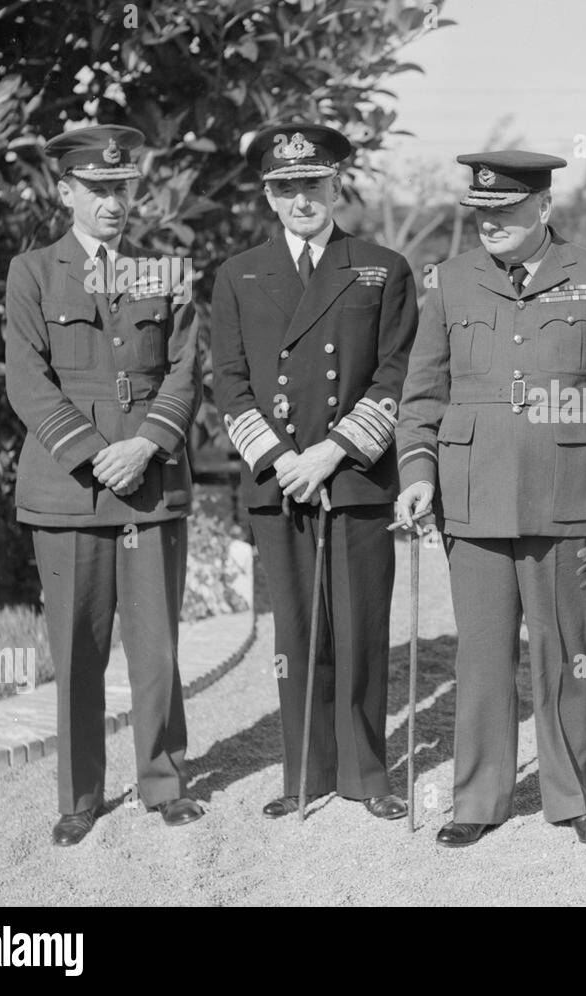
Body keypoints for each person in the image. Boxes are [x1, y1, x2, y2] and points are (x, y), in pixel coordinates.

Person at [393, 150, 586, 848]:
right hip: (473, 496)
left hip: (567, 495)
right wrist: (417, 474)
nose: (491, 225)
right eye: (480, 213)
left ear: (543, 207)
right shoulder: (449, 281)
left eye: (506, 211)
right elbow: (422, 395)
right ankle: (478, 797)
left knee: (564, 652)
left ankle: (572, 796)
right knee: (479, 657)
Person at [210, 123, 417, 820]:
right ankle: (305, 772)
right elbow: (230, 384)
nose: (302, 198)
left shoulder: (381, 266)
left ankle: (366, 773)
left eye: (313, 184)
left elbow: (398, 371)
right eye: (286, 187)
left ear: (336, 186)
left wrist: (335, 449)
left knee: (360, 627)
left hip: (353, 474)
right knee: (296, 632)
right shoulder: (237, 275)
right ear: (269, 196)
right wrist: (282, 458)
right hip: (281, 478)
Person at [5, 124, 204, 845]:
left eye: (123, 187)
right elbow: (27, 380)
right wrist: (97, 453)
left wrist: (147, 444)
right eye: (98, 189)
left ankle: (164, 780)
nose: (114, 201)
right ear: (65, 192)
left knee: (156, 646)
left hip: (150, 485)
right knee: (77, 649)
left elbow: (186, 370)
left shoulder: (164, 272)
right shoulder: (32, 272)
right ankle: (80, 796)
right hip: (69, 488)